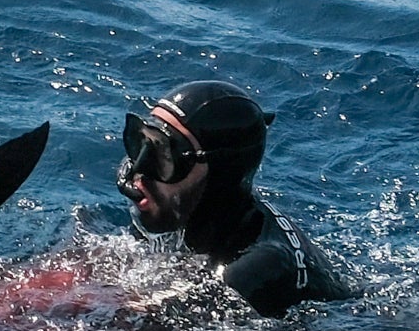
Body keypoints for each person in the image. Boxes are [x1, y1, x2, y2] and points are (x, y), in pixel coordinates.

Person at [118, 81, 355, 316]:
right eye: (141, 142)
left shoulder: (252, 269)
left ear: (220, 175)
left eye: (165, 155)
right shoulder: (178, 207)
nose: (140, 170)